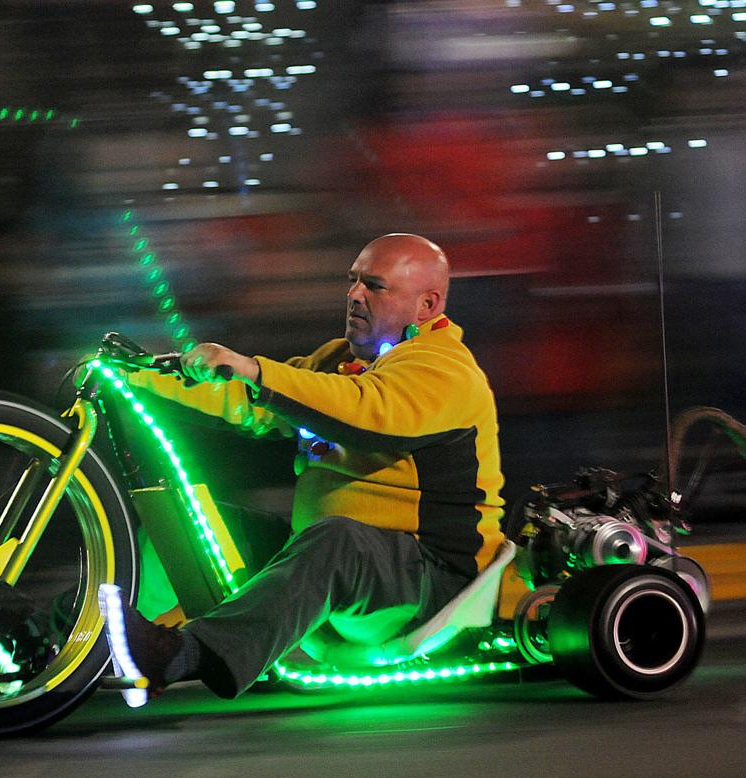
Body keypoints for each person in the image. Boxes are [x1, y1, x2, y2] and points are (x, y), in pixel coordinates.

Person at [99, 233, 505, 701]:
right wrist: (139, 375)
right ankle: (78, 641)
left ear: (426, 305)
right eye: (353, 281)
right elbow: (249, 399)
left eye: (375, 286)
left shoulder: (446, 371)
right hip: (345, 563)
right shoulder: (344, 360)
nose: (354, 295)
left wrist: (255, 371)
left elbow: (363, 411)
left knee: (337, 540)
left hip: (431, 579)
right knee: (183, 524)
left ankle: (179, 654)